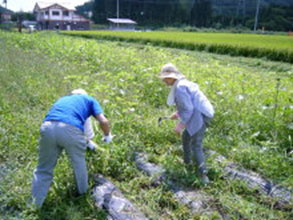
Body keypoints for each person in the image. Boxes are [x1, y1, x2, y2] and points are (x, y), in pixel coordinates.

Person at [32, 89, 113, 207]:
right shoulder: (89, 100)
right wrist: (107, 136)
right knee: (78, 164)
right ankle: (83, 198)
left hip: (47, 127)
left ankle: (35, 205)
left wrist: (91, 145)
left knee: (43, 168)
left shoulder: (62, 100)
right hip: (70, 129)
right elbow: (103, 121)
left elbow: (60, 125)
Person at [159, 63, 214, 185]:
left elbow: (188, 109)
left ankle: (203, 176)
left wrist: (180, 125)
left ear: (170, 77)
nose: (163, 81)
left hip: (200, 116)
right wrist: (177, 114)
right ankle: (187, 164)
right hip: (197, 113)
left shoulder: (180, 88)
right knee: (186, 138)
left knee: (196, 144)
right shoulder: (183, 84)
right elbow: (189, 104)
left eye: (164, 78)